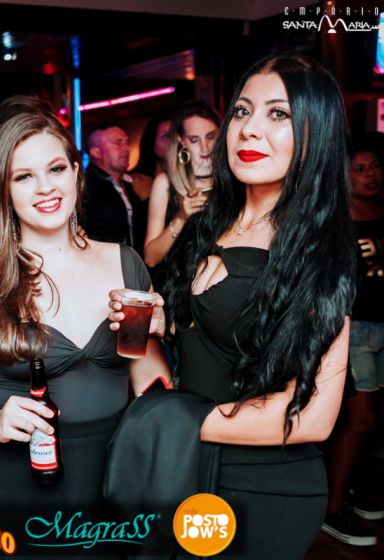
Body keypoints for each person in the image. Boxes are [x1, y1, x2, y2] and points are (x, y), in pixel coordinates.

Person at [0, 111, 169, 556]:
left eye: (56, 169)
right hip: (14, 484)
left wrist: (159, 331)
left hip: (113, 478)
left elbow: (149, 380)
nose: (45, 187)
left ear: (76, 172)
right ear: (3, 189)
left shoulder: (125, 262)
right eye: (24, 176)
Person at [152, 55, 355, 558]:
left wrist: (170, 422)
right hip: (190, 468)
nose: (249, 129)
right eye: (242, 111)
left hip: (265, 484)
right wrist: (163, 324)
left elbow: (311, 416)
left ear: (315, 133)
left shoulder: (317, 248)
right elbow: (214, 342)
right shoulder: (209, 224)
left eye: (278, 114)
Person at [321, 141, 384, 546]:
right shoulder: (337, 220)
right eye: (359, 169)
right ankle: (331, 508)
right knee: (358, 420)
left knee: (371, 422)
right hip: (353, 328)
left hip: (380, 326)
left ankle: (349, 491)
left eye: (375, 166)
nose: (369, 174)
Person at [144, 103, 220, 269]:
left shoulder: (232, 180)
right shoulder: (165, 183)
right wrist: (181, 217)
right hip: (181, 281)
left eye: (210, 137)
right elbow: (150, 258)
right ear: (181, 140)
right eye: (194, 140)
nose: (204, 147)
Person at [82, 124, 146, 254]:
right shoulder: (85, 186)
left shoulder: (130, 182)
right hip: (104, 263)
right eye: (118, 143)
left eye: (127, 142)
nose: (127, 148)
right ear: (96, 152)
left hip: (134, 263)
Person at [129, 112, 172, 201]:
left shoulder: (189, 176)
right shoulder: (135, 180)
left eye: (176, 135)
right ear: (151, 142)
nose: (173, 141)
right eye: (166, 136)